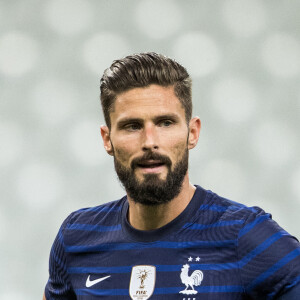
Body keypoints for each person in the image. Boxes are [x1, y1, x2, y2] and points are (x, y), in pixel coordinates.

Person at [44, 52, 300, 299]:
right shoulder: (77, 238)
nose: (149, 142)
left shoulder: (245, 235)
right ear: (107, 139)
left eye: (165, 123)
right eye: (132, 126)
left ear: (193, 133)